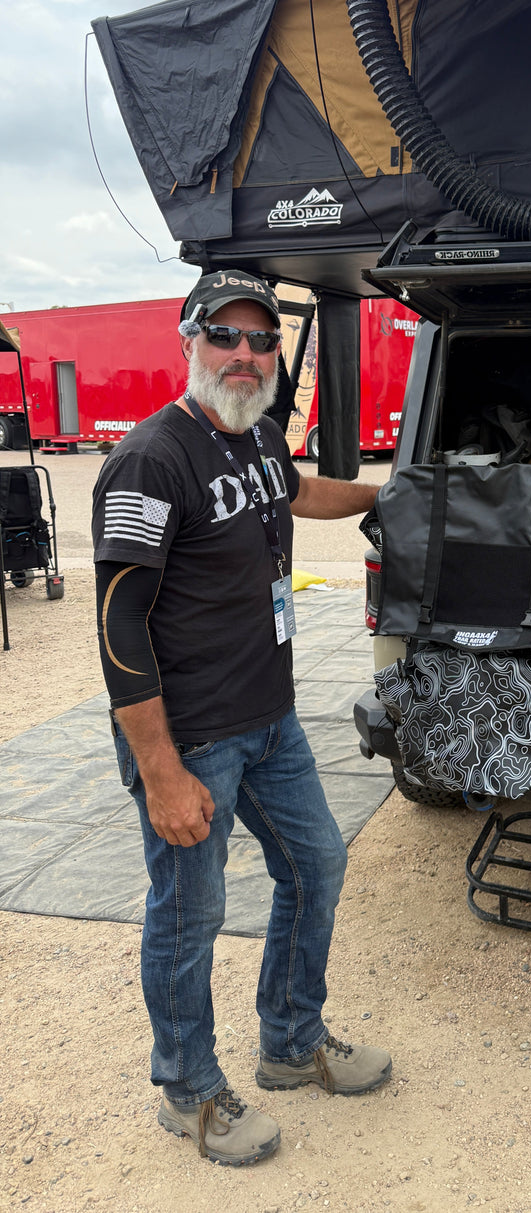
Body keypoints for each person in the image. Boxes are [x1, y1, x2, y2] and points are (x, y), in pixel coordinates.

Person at [93, 269, 390, 1167]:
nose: (245, 353)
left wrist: (383, 495)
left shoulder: (258, 432)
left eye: (262, 339)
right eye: (224, 334)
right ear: (189, 340)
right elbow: (118, 624)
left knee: (316, 863)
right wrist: (161, 771)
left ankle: (291, 1042)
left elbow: (293, 493)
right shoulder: (150, 458)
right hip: (191, 737)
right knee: (191, 913)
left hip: (270, 720)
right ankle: (188, 1090)